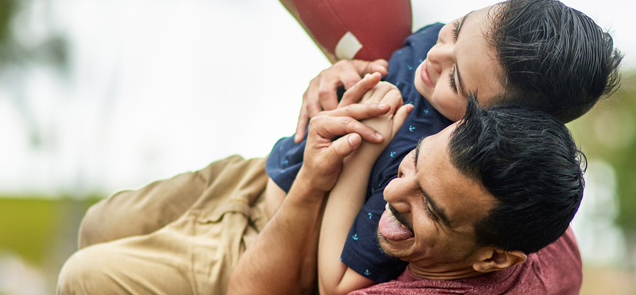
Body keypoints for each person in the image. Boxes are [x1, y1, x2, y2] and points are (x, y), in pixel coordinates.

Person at [266, 0, 622, 291]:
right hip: (271, 167)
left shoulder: (423, 169)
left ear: (497, 119)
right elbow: (350, 39)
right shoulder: (433, 52)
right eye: (455, 28)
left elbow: (338, 283)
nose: (435, 57)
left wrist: (361, 151)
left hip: (275, 226)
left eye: (454, 79)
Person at [230, 98, 587, 295]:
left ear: (494, 258)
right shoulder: (555, 241)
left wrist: (311, 182)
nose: (391, 190)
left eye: (430, 208)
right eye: (415, 159)